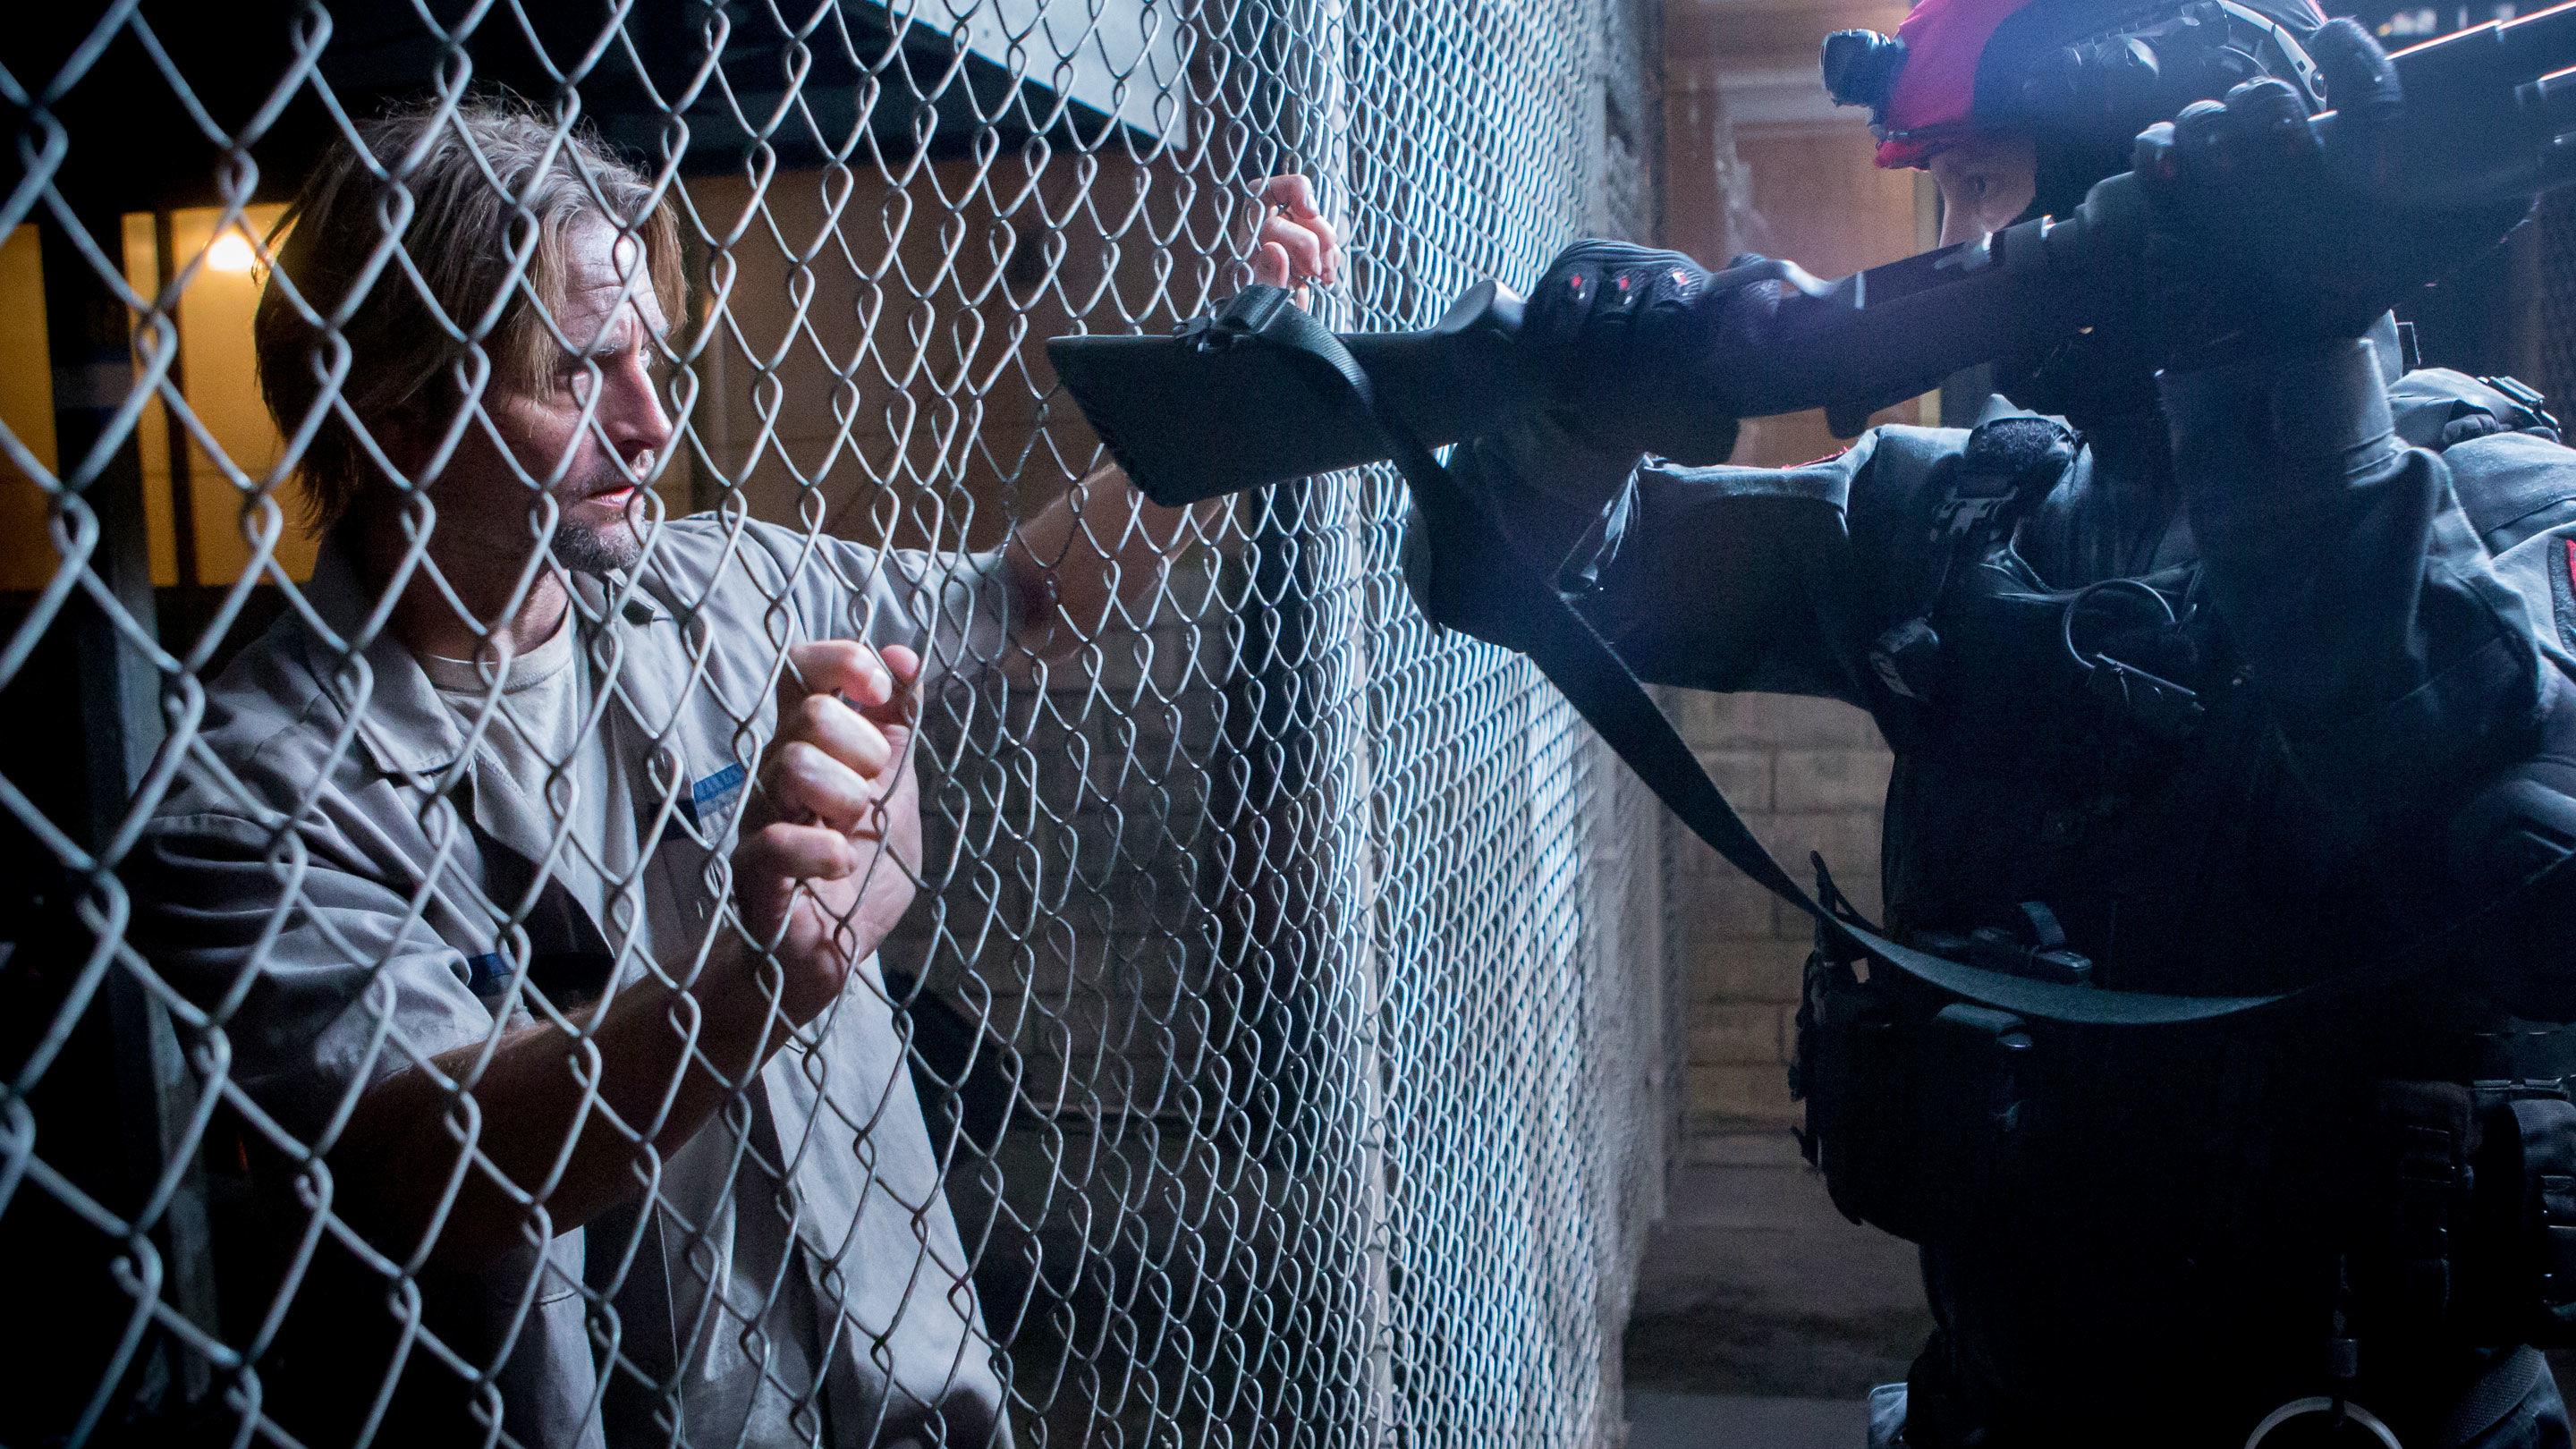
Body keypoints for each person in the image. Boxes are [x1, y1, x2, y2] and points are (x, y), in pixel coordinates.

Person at [1406, 0, 2576, 1444]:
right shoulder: (1971, 510)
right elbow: (1525, 572)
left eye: (1980, 181)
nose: (1955, 240)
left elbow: (2536, 897)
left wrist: (2289, 406)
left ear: (2126, 159)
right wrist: (1580, 414)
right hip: (2004, 1409)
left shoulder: (2493, 486)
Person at [133, 97, 1341, 1448]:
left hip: (902, 1408)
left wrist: (1223, 410)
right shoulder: (256, 790)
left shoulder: (720, 583)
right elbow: (424, 1165)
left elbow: (1030, 602)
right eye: (579, 373)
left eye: (651, 353)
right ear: (403, 420)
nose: (651, 421)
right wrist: (760, 986)